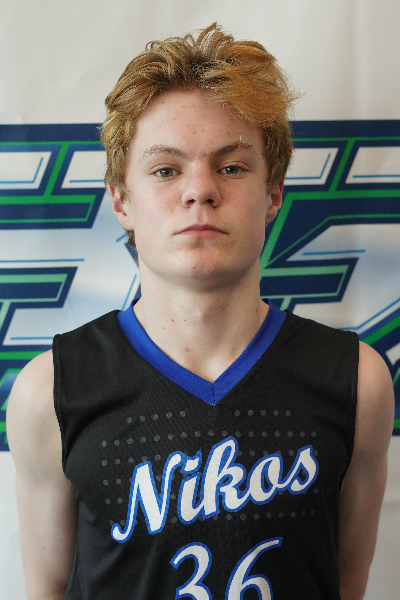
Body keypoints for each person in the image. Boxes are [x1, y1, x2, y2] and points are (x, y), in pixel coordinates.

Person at [7, 23, 394, 600]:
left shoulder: (357, 382)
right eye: (166, 170)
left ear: (273, 193)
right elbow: (47, 587)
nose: (200, 191)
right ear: (121, 200)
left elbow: (344, 585)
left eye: (231, 167)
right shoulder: (50, 392)